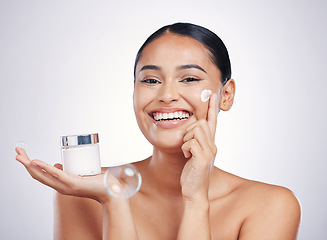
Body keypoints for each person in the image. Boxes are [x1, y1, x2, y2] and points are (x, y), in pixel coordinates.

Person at [15, 22, 301, 240]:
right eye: (150, 80)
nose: (166, 95)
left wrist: (195, 200)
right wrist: (113, 200)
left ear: (226, 95)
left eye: (189, 78)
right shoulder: (82, 193)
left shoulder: (270, 206)